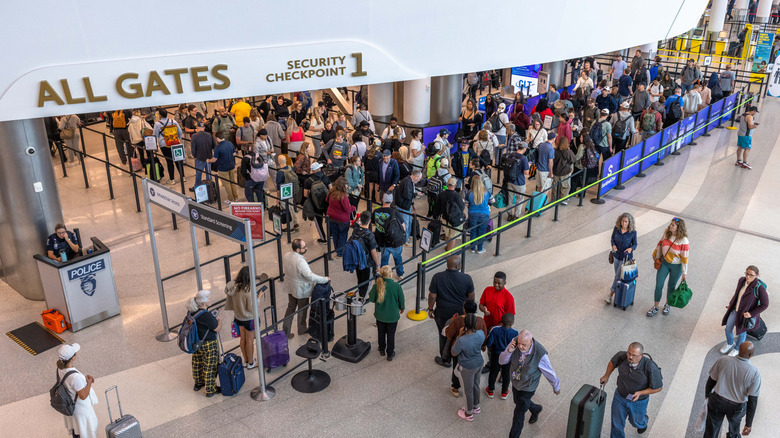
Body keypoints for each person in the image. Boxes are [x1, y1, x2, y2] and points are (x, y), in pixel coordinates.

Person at [499, 329, 561, 437]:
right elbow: (501, 361)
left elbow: (549, 372)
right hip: (516, 382)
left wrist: (556, 387)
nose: (520, 347)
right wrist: (508, 351)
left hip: (528, 387)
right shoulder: (514, 343)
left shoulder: (540, 353)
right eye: (519, 343)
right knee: (518, 401)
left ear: (531, 342)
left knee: (519, 413)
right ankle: (536, 409)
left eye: (523, 344)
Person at [599, 342, 663, 437]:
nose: (630, 357)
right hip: (620, 396)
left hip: (638, 401)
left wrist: (641, 393)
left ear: (641, 355)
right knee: (617, 424)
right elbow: (612, 362)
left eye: (634, 355)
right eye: (629, 353)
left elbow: (658, 387)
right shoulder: (622, 356)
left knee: (635, 422)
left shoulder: (650, 367)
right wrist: (606, 375)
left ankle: (643, 421)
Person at [704, 341, 761, 438]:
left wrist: (707, 395)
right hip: (737, 407)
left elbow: (711, 380)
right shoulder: (755, 373)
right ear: (751, 354)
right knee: (734, 430)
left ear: (739, 350)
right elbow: (752, 401)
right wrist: (748, 424)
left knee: (712, 429)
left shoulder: (723, 360)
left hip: (717, 400)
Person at [282, 239, 329, 338]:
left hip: (290, 287)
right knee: (302, 309)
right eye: (304, 247)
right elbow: (310, 276)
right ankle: (302, 328)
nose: (306, 248)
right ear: (298, 250)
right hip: (301, 290)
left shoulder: (286, 255)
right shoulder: (300, 261)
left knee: (290, 308)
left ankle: (285, 331)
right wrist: (324, 279)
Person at [719, 266, 769, 356]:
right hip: (735, 310)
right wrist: (731, 304)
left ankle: (737, 348)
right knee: (728, 329)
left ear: (757, 275)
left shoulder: (759, 288)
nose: (748, 277)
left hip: (745, 315)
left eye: (751, 275)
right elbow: (737, 294)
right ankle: (730, 343)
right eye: (747, 274)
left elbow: (765, 304)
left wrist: (751, 313)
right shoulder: (741, 281)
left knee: (742, 332)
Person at [445, 300, 488, 398]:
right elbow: (484, 336)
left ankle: (455, 388)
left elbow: (449, 334)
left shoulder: (458, 320)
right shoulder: (480, 321)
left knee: (457, 367)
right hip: (475, 350)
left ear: (464, 309)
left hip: (459, 350)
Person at [648, 218, 690, 317]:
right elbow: (659, 244)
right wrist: (655, 255)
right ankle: (656, 306)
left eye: (673, 225)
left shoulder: (684, 240)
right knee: (659, 285)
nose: (670, 226)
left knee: (671, 286)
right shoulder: (666, 234)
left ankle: (667, 304)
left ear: (678, 228)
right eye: (670, 224)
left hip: (677, 266)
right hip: (665, 263)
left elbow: (685, 258)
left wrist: (684, 273)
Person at [224, 266, 264, 369]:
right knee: (250, 340)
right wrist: (258, 298)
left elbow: (228, 287)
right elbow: (251, 308)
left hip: (238, 317)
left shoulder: (234, 286)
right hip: (249, 319)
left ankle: (246, 360)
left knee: (243, 339)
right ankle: (251, 363)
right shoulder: (248, 290)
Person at [56, 343, 98, 438]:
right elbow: (83, 396)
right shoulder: (75, 377)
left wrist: (83, 379)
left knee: (77, 428)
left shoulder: (60, 368)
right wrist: (89, 383)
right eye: (75, 353)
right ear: (73, 357)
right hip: (80, 408)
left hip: (70, 404)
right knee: (86, 430)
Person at [187, 290, 222, 397]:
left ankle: (198, 383)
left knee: (197, 362)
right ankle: (210, 389)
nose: (211, 299)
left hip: (196, 342)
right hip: (208, 344)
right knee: (210, 365)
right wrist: (219, 321)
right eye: (209, 299)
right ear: (203, 303)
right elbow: (216, 328)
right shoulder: (206, 315)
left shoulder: (191, 311)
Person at [451, 313, 486, 422]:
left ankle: (468, 413)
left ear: (464, 326)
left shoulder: (462, 340)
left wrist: (459, 336)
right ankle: (476, 406)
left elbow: (454, 352)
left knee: (467, 391)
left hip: (467, 367)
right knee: (476, 385)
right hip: (479, 363)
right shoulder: (481, 334)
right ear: (475, 324)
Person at [479, 271, 515, 374]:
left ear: (505, 283)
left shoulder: (509, 297)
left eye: (499, 283)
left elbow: (510, 318)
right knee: (490, 348)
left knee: (500, 350)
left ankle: (502, 368)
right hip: (487, 325)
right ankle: (491, 364)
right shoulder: (487, 290)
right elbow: (481, 304)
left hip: (500, 329)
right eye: (494, 282)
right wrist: (484, 310)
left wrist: (496, 328)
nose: (496, 285)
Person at [368, 265, 405, 361]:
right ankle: (390, 353)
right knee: (391, 334)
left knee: (381, 333)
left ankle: (381, 349)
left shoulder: (377, 285)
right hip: (392, 316)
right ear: (390, 274)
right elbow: (401, 299)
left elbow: (371, 299)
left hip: (380, 316)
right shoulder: (396, 286)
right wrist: (402, 308)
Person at [373, 192, 407, 279]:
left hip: (382, 241)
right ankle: (400, 274)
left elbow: (373, 224)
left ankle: (384, 276)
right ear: (392, 201)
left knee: (384, 260)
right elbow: (403, 226)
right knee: (398, 258)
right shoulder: (395, 212)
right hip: (394, 241)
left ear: (382, 200)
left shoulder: (376, 212)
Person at [606, 213, 638, 304]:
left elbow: (635, 244)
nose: (624, 223)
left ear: (629, 222)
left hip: (625, 258)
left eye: (626, 222)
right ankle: (619, 291)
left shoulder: (633, 232)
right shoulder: (616, 229)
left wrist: (631, 248)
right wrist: (613, 246)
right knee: (617, 274)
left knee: (617, 276)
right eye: (622, 221)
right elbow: (612, 239)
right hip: (616, 255)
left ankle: (611, 294)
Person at [486, 313, 519, 400]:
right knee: (506, 373)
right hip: (508, 356)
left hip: (496, 355)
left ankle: (490, 391)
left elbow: (489, 342)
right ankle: (504, 392)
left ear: (501, 321)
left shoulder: (495, 330)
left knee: (493, 372)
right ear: (512, 323)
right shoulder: (515, 333)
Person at [350, 211, 381, 298]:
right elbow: (373, 251)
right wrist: (377, 264)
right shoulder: (370, 235)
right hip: (367, 262)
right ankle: (362, 299)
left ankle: (360, 294)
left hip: (357, 260)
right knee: (367, 281)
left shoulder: (355, 231)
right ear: (370, 220)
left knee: (360, 279)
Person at [153, 108, 186, 185]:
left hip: (164, 145)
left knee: (169, 161)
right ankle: (183, 177)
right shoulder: (173, 121)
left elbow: (155, 135)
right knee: (178, 160)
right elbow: (180, 132)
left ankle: (172, 179)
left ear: (160, 115)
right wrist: (178, 138)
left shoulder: (157, 124)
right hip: (175, 143)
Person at [326, 177, 356, 257]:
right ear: (343, 185)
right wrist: (353, 207)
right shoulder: (343, 196)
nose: (347, 186)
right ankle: (340, 253)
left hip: (331, 217)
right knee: (342, 235)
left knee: (335, 235)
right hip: (342, 219)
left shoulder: (331, 192)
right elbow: (347, 209)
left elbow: (326, 200)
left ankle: (337, 249)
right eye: (346, 184)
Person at [209, 132, 238, 205]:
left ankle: (230, 200)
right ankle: (236, 197)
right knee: (232, 182)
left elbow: (214, 159)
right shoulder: (230, 143)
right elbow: (234, 154)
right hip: (231, 166)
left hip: (223, 168)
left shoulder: (218, 147)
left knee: (227, 184)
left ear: (218, 138)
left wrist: (208, 160)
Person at [466, 174, 492, 254]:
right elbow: (493, 200)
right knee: (482, 232)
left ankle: (472, 248)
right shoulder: (486, 191)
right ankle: (480, 249)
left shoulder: (469, 192)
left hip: (473, 214)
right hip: (484, 214)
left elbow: (466, 204)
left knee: (473, 231)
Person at [395, 169, 422, 243]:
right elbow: (407, 195)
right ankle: (405, 240)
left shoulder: (409, 181)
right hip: (403, 206)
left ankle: (407, 237)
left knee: (409, 222)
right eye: (419, 178)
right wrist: (417, 194)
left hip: (406, 205)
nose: (419, 180)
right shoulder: (407, 182)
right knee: (405, 224)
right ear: (415, 176)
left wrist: (412, 204)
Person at [275, 155, 300, 231]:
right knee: (291, 207)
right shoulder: (290, 167)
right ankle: (295, 223)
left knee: (286, 209)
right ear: (286, 160)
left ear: (279, 162)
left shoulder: (280, 172)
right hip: (291, 190)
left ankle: (291, 227)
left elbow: (279, 187)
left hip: (284, 192)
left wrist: (278, 198)